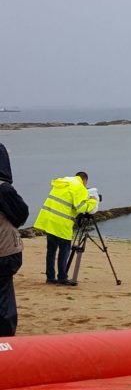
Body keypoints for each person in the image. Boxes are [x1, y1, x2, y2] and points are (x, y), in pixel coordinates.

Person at [33, 172, 98, 286]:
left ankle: (50, 277)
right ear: (85, 180)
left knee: (51, 250)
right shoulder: (79, 187)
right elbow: (80, 208)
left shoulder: (63, 182)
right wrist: (92, 201)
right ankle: (62, 277)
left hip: (49, 220)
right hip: (62, 223)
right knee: (64, 250)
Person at [0, 144, 29, 336]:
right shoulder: (4, 190)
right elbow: (21, 215)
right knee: (4, 296)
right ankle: (6, 341)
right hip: (4, 252)